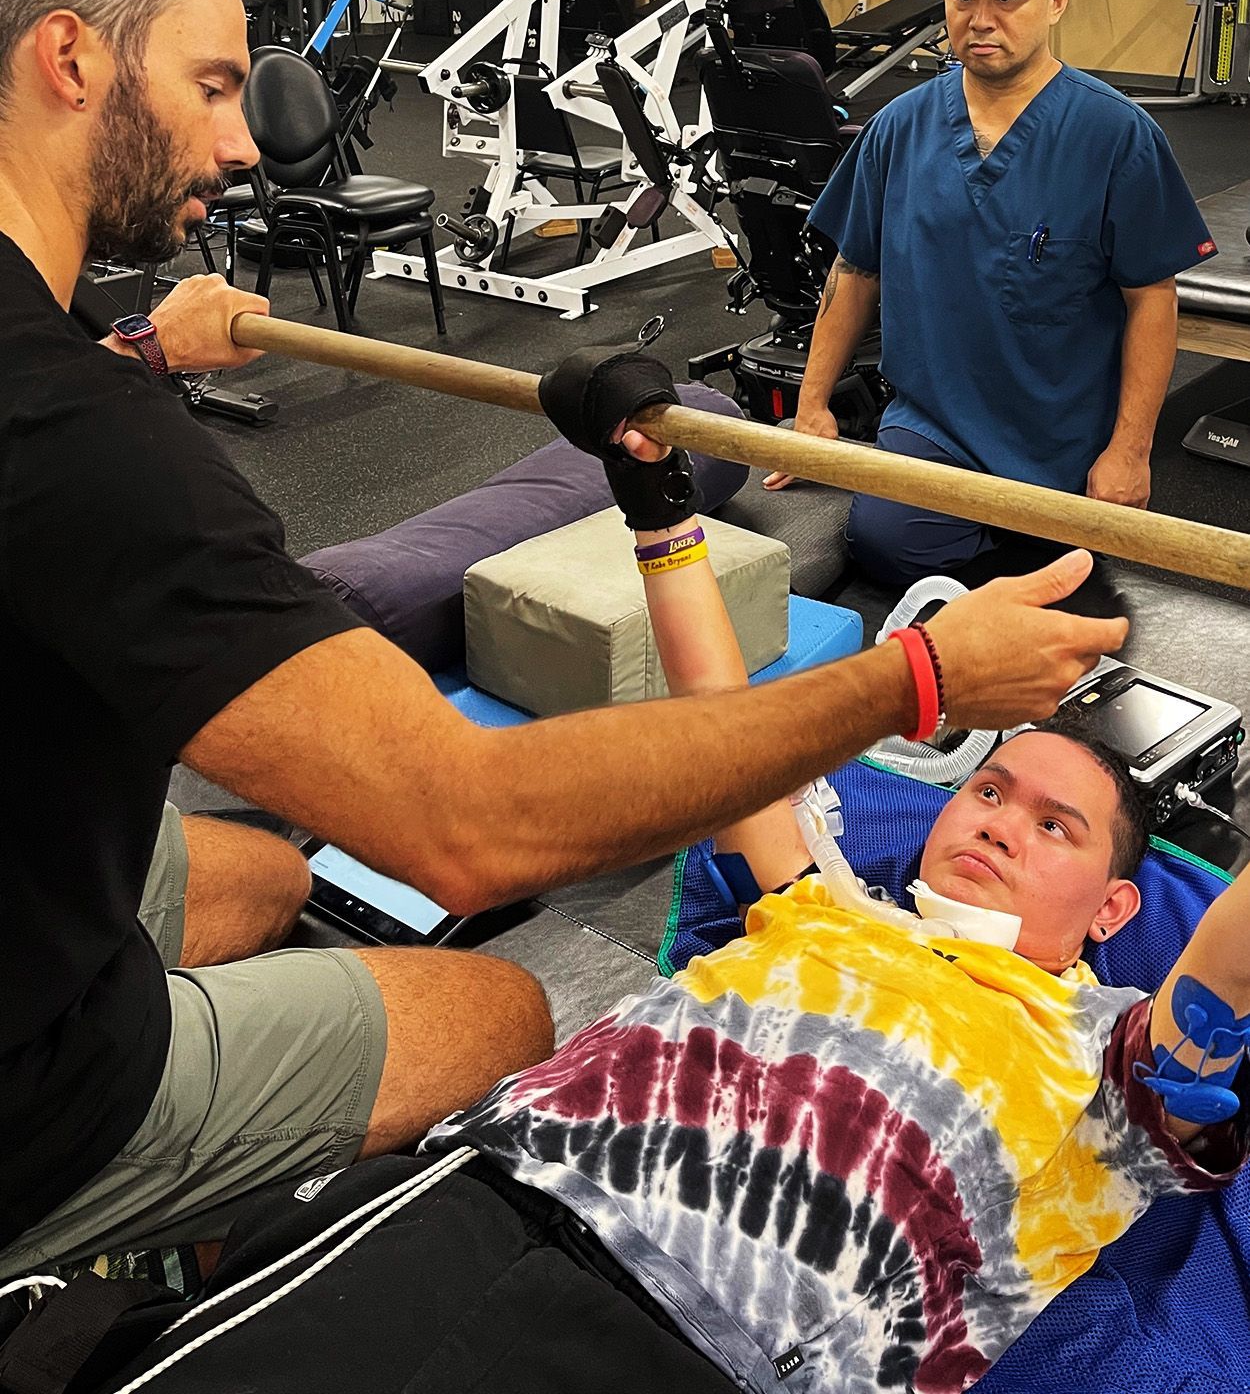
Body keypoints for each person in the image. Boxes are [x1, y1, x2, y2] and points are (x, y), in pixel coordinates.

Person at [0, 0, 1127, 1286]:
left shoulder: (1091, 1036)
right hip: (30, 1087)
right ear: (69, 59)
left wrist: (143, 355)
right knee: (493, 1011)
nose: (241, 146)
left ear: (1110, 917)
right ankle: (141, 1281)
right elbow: (468, 828)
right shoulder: (83, 448)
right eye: (213, 85)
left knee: (263, 872)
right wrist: (919, 678)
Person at [115, 388, 1249, 1394]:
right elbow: (717, 701)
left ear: (1111, 912)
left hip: (714, 1354)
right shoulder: (829, 899)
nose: (999, 821)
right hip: (507, 1184)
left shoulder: (1117, 1063)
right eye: (990, 789)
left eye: (1053, 827)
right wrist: (657, 510)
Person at [764, 0, 1218, 587]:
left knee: (1079, 559)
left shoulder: (1117, 136)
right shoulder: (899, 128)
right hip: (935, 426)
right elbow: (854, 272)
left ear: (1057, 1)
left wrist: (1130, 451)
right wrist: (812, 409)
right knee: (887, 543)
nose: (981, 19)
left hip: (1060, 436)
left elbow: (1152, 297)